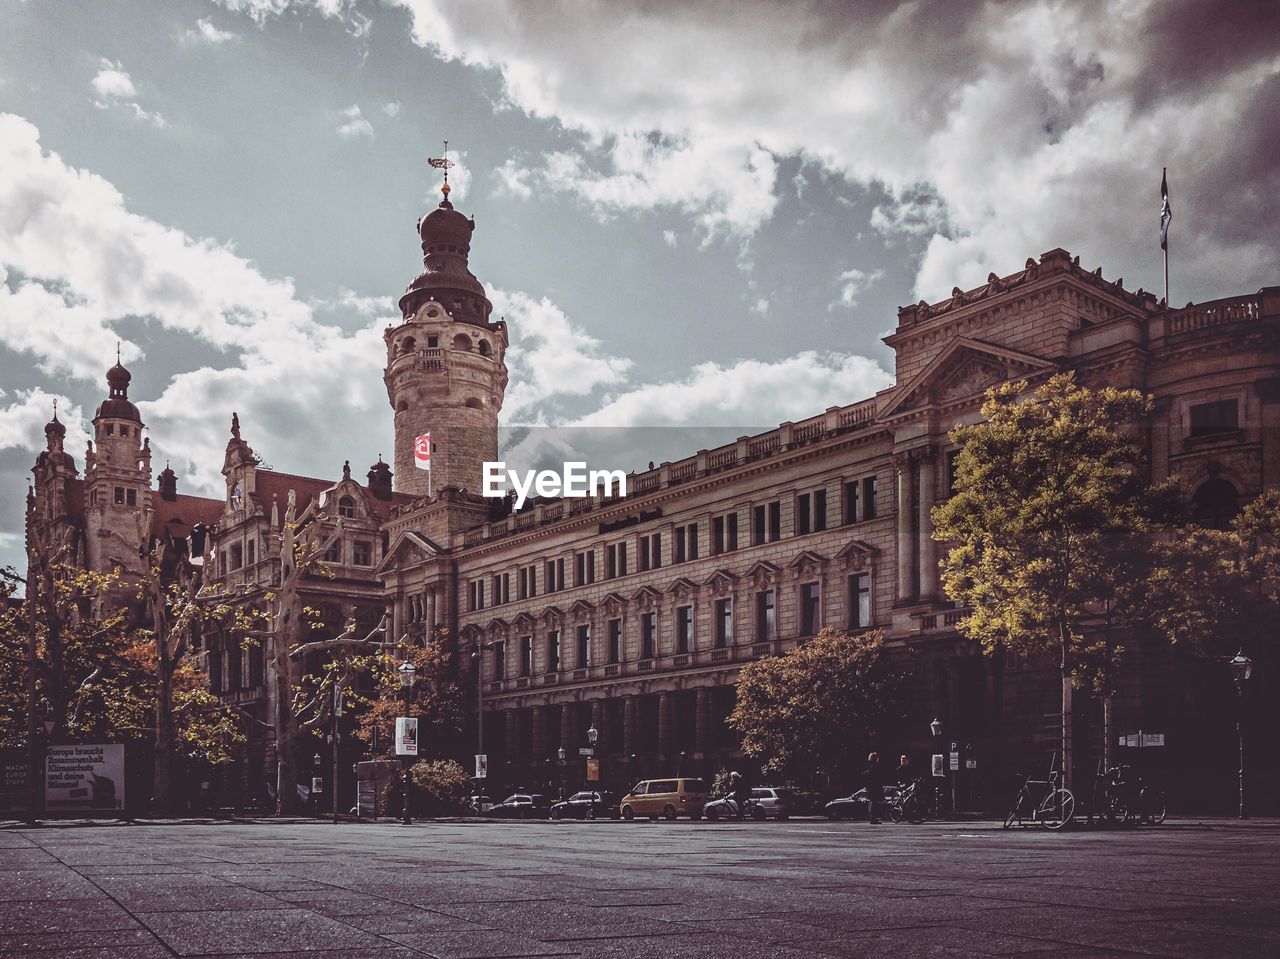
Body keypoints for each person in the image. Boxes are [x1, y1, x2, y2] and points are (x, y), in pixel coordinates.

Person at [862, 752, 884, 824]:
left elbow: (867, 774)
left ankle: (872, 818)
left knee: (872, 802)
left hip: (870, 786)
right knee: (874, 802)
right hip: (874, 786)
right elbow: (876, 775)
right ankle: (873, 819)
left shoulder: (869, 765)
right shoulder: (875, 765)